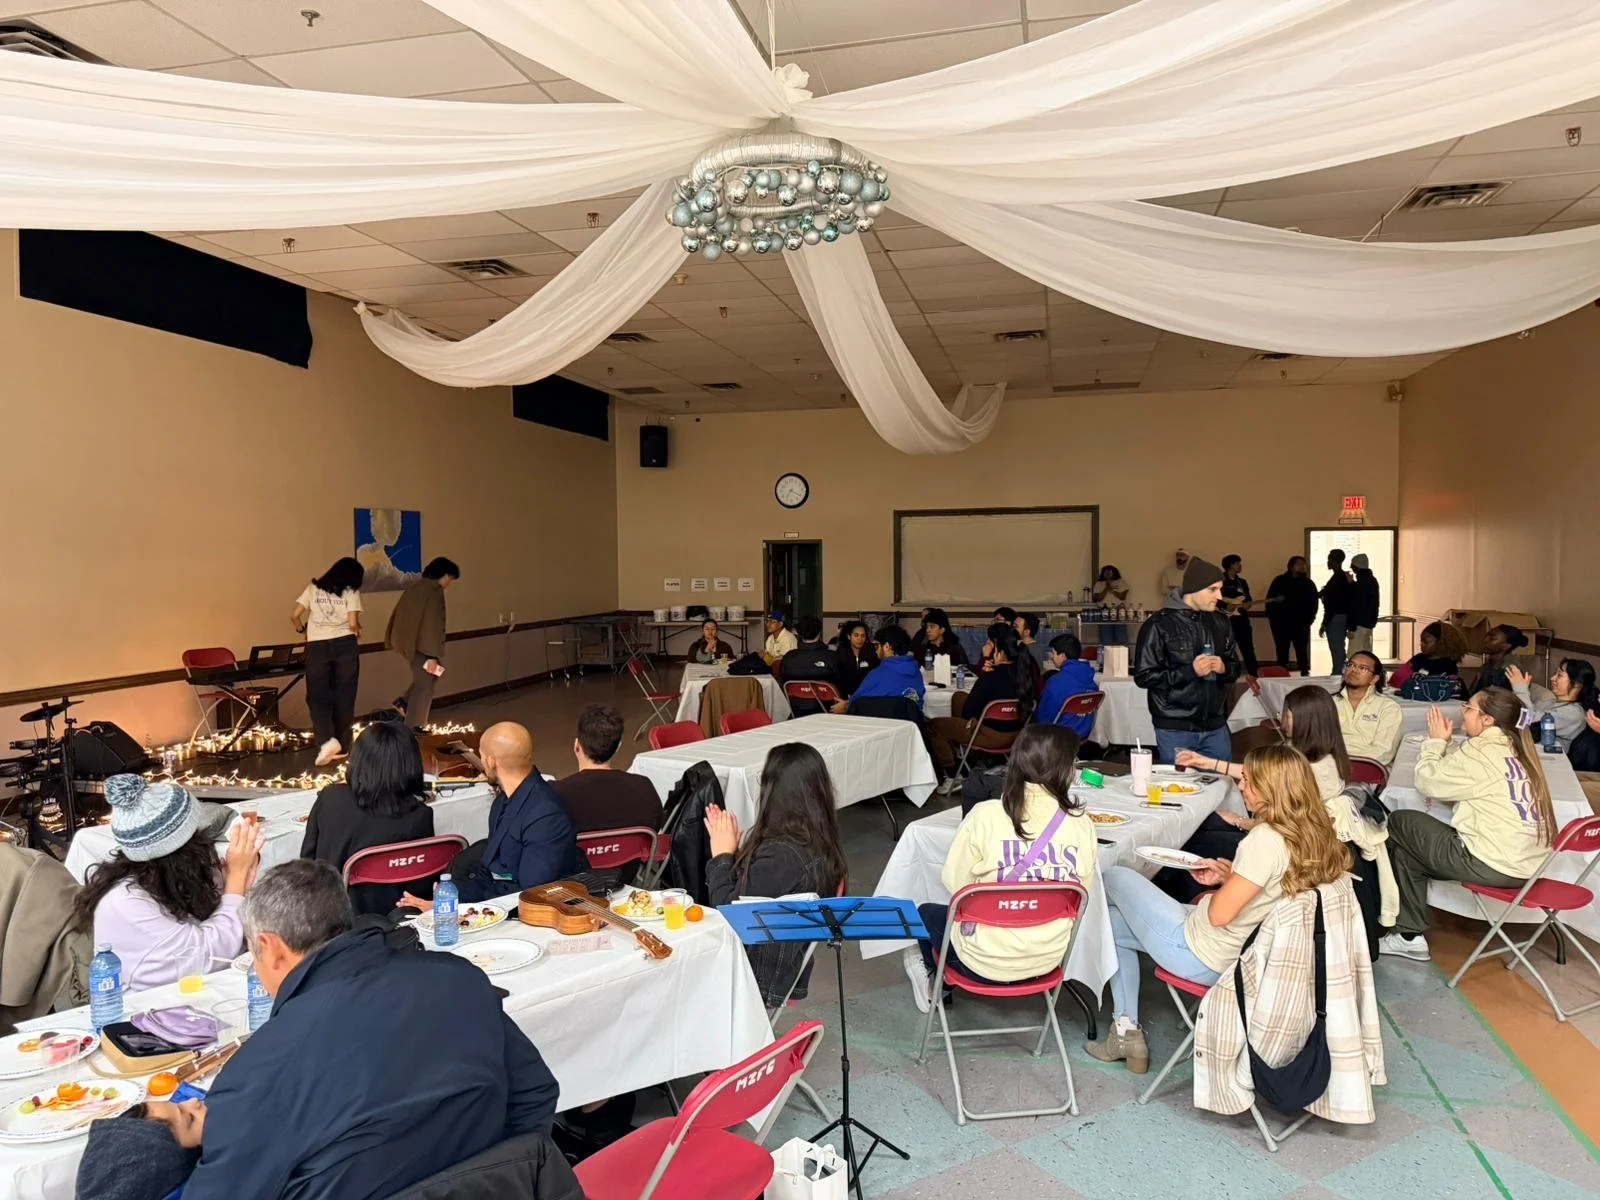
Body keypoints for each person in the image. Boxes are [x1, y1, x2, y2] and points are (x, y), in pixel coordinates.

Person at [181, 860, 559, 1200]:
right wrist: (502, 1178)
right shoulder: (460, 979)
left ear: (271, 947)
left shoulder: (258, 1070)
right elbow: (534, 1095)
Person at [1085, 744, 1350, 1073]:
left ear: (1272, 789)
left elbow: (1218, 916)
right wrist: (1231, 878)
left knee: (1114, 875)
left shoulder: (1265, 840)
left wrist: (1226, 887)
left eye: (1249, 781)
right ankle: (1125, 1032)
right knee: (1111, 922)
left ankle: (1073, 955)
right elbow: (1270, 889)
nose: (1241, 785)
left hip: (1207, 954)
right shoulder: (1314, 833)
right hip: (1253, 952)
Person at [902, 725, 1099, 1013]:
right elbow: (1081, 894)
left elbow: (956, 883)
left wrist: (1004, 900)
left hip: (980, 962)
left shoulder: (986, 814)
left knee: (924, 913)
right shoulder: (1082, 824)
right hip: (1047, 961)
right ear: (1066, 771)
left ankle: (938, 984)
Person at [1381, 688, 1555, 962]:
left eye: (1469, 707)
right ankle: (1408, 937)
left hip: (1491, 864)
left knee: (1399, 821)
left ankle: (1389, 919)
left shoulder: (1481, 751)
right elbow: (1466, 779)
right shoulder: (1516, 749)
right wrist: (1448, 744)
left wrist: (1435, 743)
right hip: (1528, 867)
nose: (1463, 710)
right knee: (1407, 851)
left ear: (1487, 720)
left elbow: (1428, 782)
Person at [74, 777, 263, 990]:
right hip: (150, 1006)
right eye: (197, 834)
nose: (206, 842)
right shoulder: (124, 902)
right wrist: (236, 882)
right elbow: (204, 955)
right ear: (182, 851)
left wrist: (236, 883)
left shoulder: (176, 878)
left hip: (200, 993)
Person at [703, 743, 848, 1006]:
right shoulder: (821, 842)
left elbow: (728, 913)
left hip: (756, 974)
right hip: (785, 965)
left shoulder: (782, 855)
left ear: (773, 791)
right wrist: (735, 852)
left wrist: (721, 855)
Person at [402, 723, 585, 907]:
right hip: (498, 902)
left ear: (490, 761)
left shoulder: (546, 815)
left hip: (529, 911)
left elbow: (531, 894)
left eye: (481, 756)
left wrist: (463, 910)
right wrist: (449, 901)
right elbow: (491, 873)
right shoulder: (502, 803)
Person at [300, 722, 434, 915]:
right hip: (398, 915)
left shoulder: (331, 798)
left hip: (333, 915)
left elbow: (307, 860)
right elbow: (420, 880)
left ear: (358, 759)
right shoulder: (420, 815)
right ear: (411, 763)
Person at [1132, 557, 1240, 764]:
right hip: (1175, 726)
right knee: (1179, 783)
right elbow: (1144, 676)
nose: (1219, 596)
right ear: (1194, 589)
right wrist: (1190, 671)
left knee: (1222, 782)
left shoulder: (1221, 622)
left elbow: (1235, 667)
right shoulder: (1158, 625)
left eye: (1220, 589)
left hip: (1215, 725)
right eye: (1213, 589)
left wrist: (1224, 668)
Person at [928, 628, 1040, 790]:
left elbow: (968, 712)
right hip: (1017, 733)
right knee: (958, 697)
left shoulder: (990, 677)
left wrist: (983, 677)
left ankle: (953, 775)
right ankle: (964, 752)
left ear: (1000, 653)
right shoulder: (1025, 674)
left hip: (989, 735)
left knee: (935, 726)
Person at [292, 556, 364, 767]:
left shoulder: (313, 588)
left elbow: (294, 615)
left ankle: (326, 740)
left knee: (317, 695)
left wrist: (301, 629)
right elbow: (352, 623)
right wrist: (358, 630)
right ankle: (342, 745)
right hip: (345, 645)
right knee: (345, 694)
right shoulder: (351, 591)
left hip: (317, 646)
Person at [552, 705, 663, 835]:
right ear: (617, 748)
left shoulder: (552, 796)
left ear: (576, 746)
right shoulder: (644, 787)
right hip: (631, 849)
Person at [386, 556, 459, 729]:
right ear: (443, 575)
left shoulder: (417, 587)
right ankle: (415, 727)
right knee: (424, 685)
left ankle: (404, 702)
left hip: (409, 642)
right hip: (421, 646)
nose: (449, 583)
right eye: (450, 578)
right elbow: (431, 625)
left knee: (431, 676)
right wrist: (431, 655)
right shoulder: (433, 592)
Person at [1509, 658, 1597, 752]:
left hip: (1548, 757)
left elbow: (1527, 722)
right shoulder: (1551, 702)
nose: (1552, 678)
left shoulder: (1574, 713)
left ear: (1577, 684)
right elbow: (1522, 717)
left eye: (1559, 675)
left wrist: (1521, 689)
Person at [835, 624, 926, 713]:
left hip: (882, 721)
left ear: (887, 646)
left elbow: (856, 702)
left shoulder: (877, 674)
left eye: (877, 646)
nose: (876, 650)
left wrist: (846, 705)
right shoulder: (916, 671)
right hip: (911, 721)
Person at [1335, 651, 1404, 765]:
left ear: (1374, 679)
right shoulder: (1329, 702)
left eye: (1363, 668)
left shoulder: (1388, 707)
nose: (1354, 670)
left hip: (1368, 767)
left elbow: (1384, 750)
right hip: (1330, 766)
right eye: (1351, 665)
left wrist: (1349, 762)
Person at [1264, 555, 1319, 675]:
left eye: (1304, 564)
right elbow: (1269, 601)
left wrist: (1310, 619)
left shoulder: (1308, 583)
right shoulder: (1279, 581)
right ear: (1291, 566)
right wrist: (1274, 619)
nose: (1302, 566)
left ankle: (1304, 672)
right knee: (1282, 649)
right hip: (1281, 623)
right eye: (1299, 564)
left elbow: (1314, 603)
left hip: (1301, 623)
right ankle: (1282, 672)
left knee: (1302, 649)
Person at [1037, 632, 1098, 737]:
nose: (1051, 657)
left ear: (1063, 655)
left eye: (1053, 653)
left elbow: (1043, 719)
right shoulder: (1090, 678)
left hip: (1059, 736)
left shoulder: (1056, 682)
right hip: (1083, 734)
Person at [1391, 620, 1466, 689]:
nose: (1421, 644)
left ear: (1441, 643)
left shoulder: (1448, 666)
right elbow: (1398, 677)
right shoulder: (1418, 658)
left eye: (1425, 642)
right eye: (1421, 641)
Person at [1218, 554, 1258, 676]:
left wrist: (1248, 603)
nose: (1240, 566)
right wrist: (1225, 605)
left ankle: (1254, 673)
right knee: (1225, 647)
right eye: (1237, 564)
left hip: (1242, 619)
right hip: (1225, 619)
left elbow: (1248, 597)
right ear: (1230, 565)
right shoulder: (1220, 581)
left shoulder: (1242, 582)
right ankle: (1226, 673)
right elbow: (1214, 598)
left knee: (1248, 647)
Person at [1466, 623, 1529, 697]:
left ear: (1506, 646)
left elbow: (1499, 700)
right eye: (1486, 636)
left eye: (1492, 639)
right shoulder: (1488, 666)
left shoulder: (1510, 669)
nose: (1485, 640)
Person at [1318, 548, 1352, 674]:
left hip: (1336, 617)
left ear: (1335, 561)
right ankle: (1338, 671)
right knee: (1338, 648)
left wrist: (1325, 623)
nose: (1328, 562)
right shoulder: (1339, 578)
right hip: (1338, 616)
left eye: (1329, 560)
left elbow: (1332, 604)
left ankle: (1338, 673)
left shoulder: (1338, 579)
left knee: (1337, 648)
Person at [778, 616, 839, 684]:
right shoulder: (832, 657)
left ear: (799, 634)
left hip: (795, 691)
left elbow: (783, 682)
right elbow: (840, 683)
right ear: (819, 633)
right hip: (825, 691)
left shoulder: (788, 657)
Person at [1347, 553, 1380, 654]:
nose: (1351, 567)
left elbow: (1357, 605)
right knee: (1366, 653)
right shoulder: (1371, 580)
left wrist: (1351, 627)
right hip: (1368, 623)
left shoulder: (1361, 583)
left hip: (1359, 625)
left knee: (1355, 653)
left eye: (1352, 565)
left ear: (1356, 567)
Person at [833, 619, 875, 696]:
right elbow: (838, 679)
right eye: (856, 635)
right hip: (845, 695)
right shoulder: (841, 653)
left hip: (866, 695)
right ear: (849, 636)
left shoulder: (871, 651)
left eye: (863, 636)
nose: (860, 639)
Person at [1094, 564, 1131, 645]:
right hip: (1104, 613)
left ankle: (1122, 653)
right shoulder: (1099, 584)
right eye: (1106, 572)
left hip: (1119, 612)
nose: (1108, 574)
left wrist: (1112, 590)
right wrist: (1106, 588)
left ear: (1114, 572)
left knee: (1121, 638)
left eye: (1110, 572)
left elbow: (1122, 597)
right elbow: (1098, 598)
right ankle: (1107, 653)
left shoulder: (1121, 582)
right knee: (1106, 639)